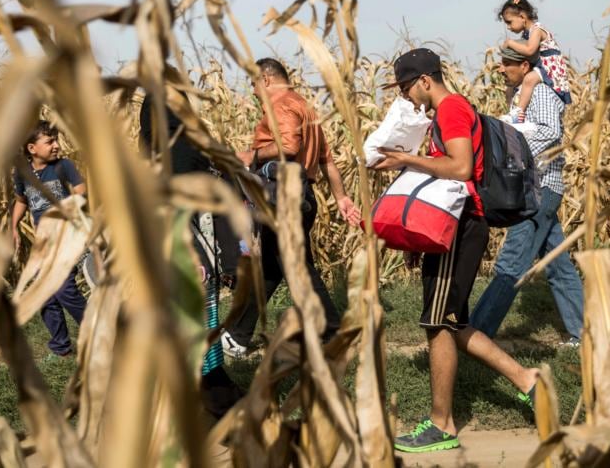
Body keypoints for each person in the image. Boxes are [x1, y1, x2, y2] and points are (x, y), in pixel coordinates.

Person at [372, 48, 539, 453]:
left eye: (408, 88)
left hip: (463, 228)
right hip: (451, 226)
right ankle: (528, 381)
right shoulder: (443, 115)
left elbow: (461, 168)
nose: (407, 97)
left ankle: (441, 424)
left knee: (438, 324)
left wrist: (406, 159)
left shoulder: (451, 110)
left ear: (426, 80)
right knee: (453, 322)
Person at [221, 58, 361, 356]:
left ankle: (332, 331)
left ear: (266, 79)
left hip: (283, 197)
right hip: (302, 198)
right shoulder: (305, 108)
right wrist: (341, 197)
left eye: (254, 84)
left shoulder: (281, 104)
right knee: (272, 267)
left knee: (297, 268)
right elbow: (327, 161)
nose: (254, 92)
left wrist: (252, 154)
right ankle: (238, 336)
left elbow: (289, 147)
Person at [138, 93, 244, 419]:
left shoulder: (152, 150)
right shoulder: (179, 148)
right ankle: (214, 405)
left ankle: (214, 397)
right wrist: (193, 253)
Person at [470, 46, 584, 347]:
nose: (501, 69)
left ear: (524, 65)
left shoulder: (541, 93)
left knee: (512, 263)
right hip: (541, 187)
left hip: (539, 188)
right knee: (557, 263)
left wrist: (517, 155)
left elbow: (551, 131)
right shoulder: (521, 96)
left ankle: (478, 331)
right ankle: (583, 335)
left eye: (507, 63)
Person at [11, 121, 88, 357]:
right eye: (50, 141)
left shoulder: (63, 166)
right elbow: (22, 201)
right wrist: (13, 227)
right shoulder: (22, 174)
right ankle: (61, 345)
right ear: (32, 148)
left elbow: (81, 190)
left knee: (64, 289)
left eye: (56, 140)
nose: (56, 145)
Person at [498, 0, 572, 122]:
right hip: (541, 64)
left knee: (528, 79)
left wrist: (510, 43)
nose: (508, 27)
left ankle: (519, 112)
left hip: (548, 66)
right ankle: (513, 110)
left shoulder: (536, 30)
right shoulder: (528, 33)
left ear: (522, 17)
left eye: (509, 22)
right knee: (514, 87)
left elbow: (529, 50)